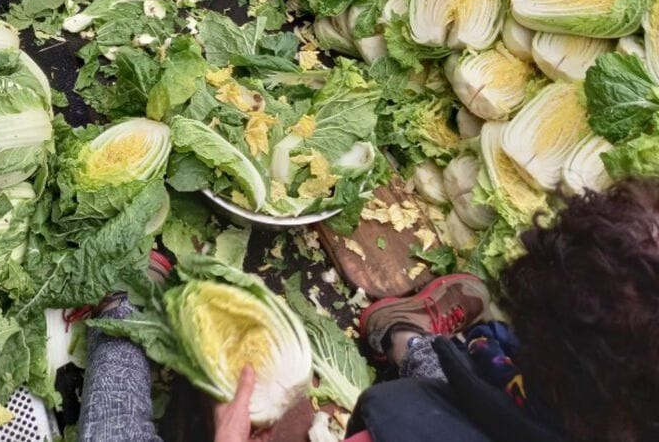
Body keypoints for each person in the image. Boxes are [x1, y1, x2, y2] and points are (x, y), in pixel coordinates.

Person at [74, 180, 659, 442]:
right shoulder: (600, 406)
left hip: (428, 423)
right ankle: (405, 336)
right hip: (506, 406)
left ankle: (124, 317)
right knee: (467, 375)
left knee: (115, 432)